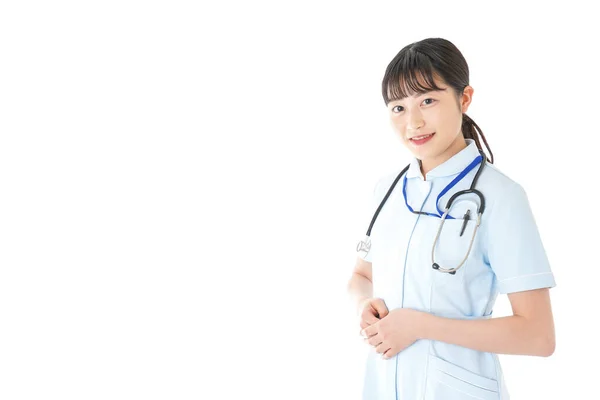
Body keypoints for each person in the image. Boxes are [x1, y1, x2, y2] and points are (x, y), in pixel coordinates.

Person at [346, 38, 556, 400]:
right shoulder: (387, 190)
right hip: (382, 386)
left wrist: (420, 326)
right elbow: (361, 276)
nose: (413, 122)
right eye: (398, 107)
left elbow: (538, 336)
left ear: (465, 98)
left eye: (428, 100)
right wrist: (364, 305)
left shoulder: (501, 197)